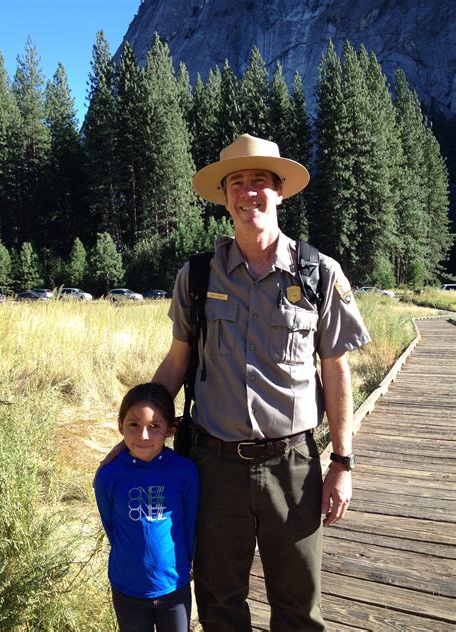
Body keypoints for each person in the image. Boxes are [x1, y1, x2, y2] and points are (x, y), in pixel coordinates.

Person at [151, 133, 371, 631]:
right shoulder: (199, 275)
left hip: (291, 467)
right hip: (213, 467)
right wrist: (140, 428)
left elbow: (336, 370)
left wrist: (343, 463)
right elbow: (177, 361)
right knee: (219, 603)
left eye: (259, 182)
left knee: (298, 606)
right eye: (237, 183)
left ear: (278, 192)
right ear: (226, 196)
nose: (248, 192)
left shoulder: (319, 272)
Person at [94, 382, 199, 632]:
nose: (143, 436)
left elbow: (190, 526)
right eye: (134, 425)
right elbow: (112, 528)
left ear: (171, 429)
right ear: (120, 425)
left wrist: (181, 567)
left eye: (154, 426)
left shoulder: (185, 472)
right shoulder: (109, 475)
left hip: (173, 586)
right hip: (128, 587)